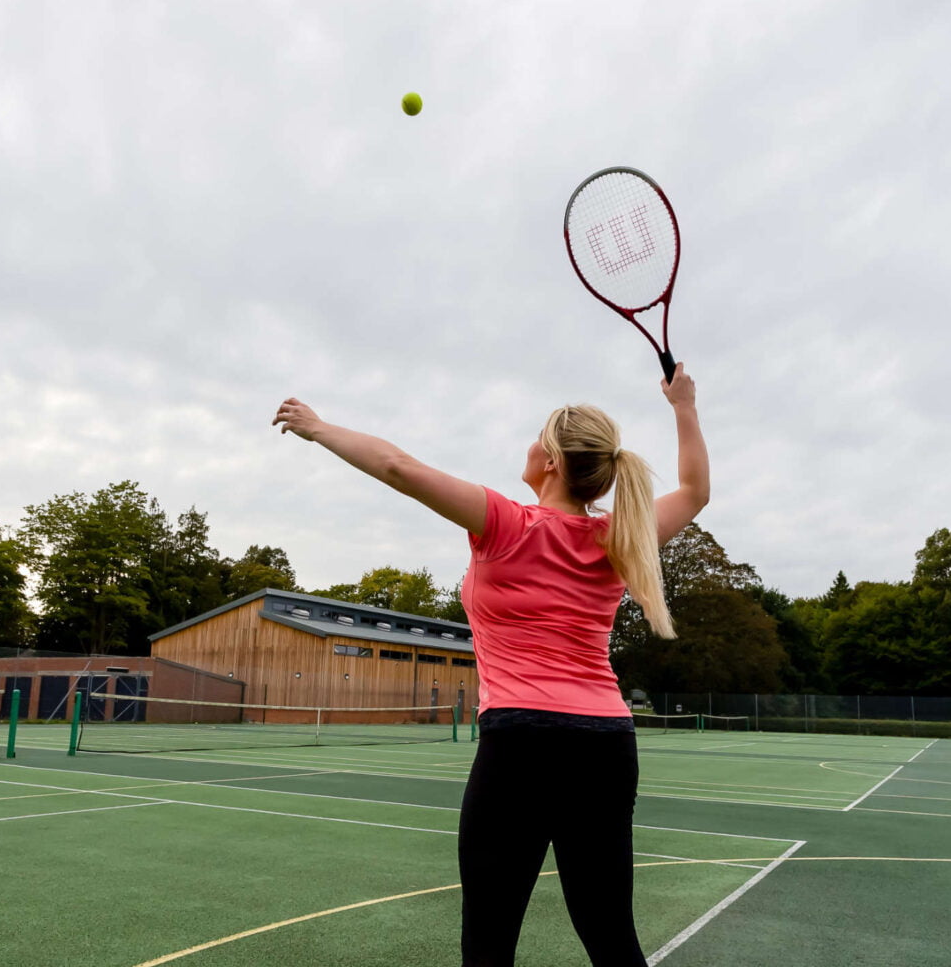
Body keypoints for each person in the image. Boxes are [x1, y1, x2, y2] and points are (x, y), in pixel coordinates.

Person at [272, 366, 709, 967]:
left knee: (488, 938)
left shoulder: (508, 523)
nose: (528, 446)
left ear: (552, 462)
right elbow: (694, 492)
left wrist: (318, 428)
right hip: (607, 743)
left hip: (523, 743)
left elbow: (399, 467)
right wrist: (684, 405)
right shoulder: (619, 535)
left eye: (537, 438)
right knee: (610, 935)